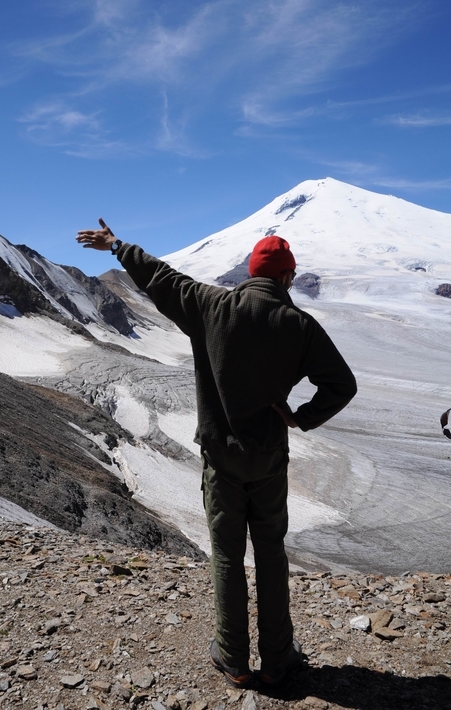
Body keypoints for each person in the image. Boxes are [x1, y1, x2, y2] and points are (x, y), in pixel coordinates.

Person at [76, 219, 357, 688]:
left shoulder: (211, 305)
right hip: (268, 457)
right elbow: (342, 385)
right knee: (270, 552)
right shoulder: (299, 325)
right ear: (287, 277)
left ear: (251, 271)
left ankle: (233, 658)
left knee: (226, 555)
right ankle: (278, 658)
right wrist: (300, 417)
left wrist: (118, 246)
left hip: (220, 457)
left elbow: (162, 278)